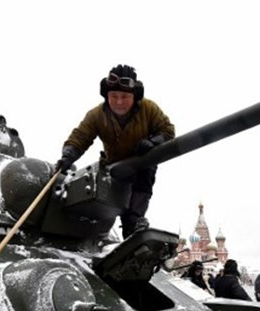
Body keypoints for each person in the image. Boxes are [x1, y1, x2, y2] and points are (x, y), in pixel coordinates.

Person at [55, 64, 175, 239]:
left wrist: (153, 142)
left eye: (125, 96)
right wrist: (68, 156)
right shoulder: (97, 115)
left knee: (144, 181)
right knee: (110, 200)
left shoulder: (148, 109)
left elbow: (167, 131)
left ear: (135, 96)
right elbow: (80, 136)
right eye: (114, 96)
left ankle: (134, 222)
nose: (119, 102)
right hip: (114, 167)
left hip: (143, 160)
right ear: (106, 95)